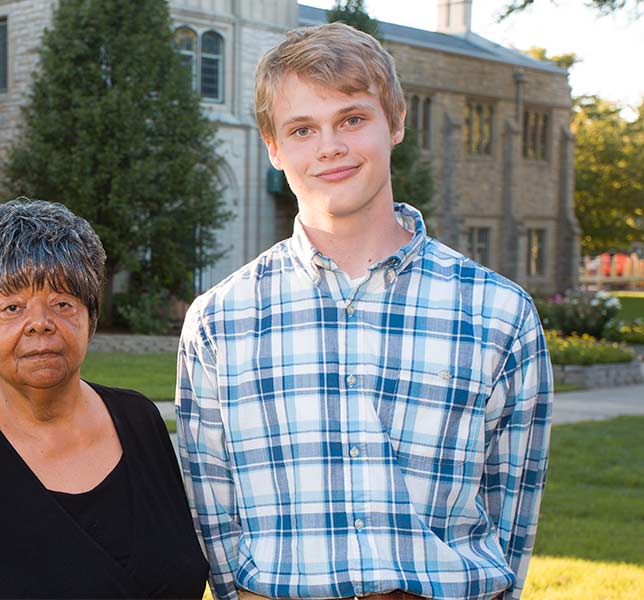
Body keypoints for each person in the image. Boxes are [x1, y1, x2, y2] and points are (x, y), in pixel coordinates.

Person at [176, 23, 552, 600]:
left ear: (396, 121)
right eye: (303, 129)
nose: (330, 147)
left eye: (352, 119)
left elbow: (513, 515)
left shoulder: (498, 314)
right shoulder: (219, 322)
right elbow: (214, 516)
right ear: (274, 148)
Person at [0, 199, 207, 598]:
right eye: (12, 307)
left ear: (91, 317)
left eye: (62, 303)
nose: (39, 323)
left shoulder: (140, 422)